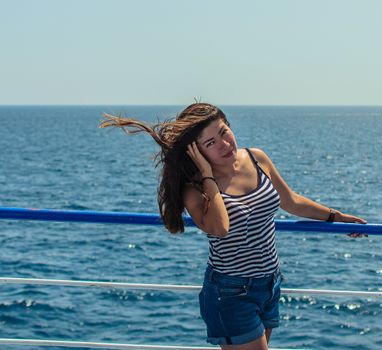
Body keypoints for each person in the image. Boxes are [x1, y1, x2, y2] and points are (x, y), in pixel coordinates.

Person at [99, 103, 366, 350]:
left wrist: (336, 217)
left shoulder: (256, 158)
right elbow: (220, 227)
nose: (225, 144)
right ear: (197, 152)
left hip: (270, 284)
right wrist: (207, 175)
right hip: (230, 292)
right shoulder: (194, 189)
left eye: (224, 132)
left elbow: (292, 201)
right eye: (211, 143)